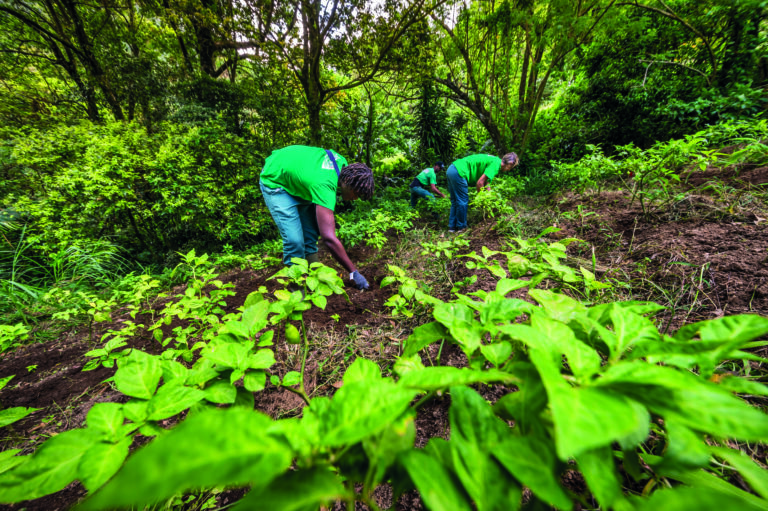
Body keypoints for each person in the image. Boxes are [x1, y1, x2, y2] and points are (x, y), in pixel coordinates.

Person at [259, 145, 373, 290]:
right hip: (276, 180)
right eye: (356, 193)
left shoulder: (342, 166)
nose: (355, 198)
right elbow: (329, 239)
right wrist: (353, 272)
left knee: (310, 234)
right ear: (349, 184)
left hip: (300, 182)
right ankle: (296, 290)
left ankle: (314, 279)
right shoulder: (324, 184)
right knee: (294, 241)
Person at [446, 152, 519, 232]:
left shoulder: (495, 161)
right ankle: (461, 227)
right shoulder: (496, 164)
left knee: (455, 201)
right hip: (459, 171)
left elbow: (487, 184)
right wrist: (481, 199)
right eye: (510, 168)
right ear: (510, 163)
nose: (508, 170)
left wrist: (492, 199)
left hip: (452, 169)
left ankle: (452, 227)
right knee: (462, 201)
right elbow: (480, 183)